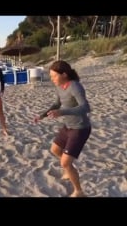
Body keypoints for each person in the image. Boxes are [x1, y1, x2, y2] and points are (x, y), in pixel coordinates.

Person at [34, 60, 91, 197]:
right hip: (68, 126)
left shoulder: (75, 86)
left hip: (80, 128)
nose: (52, 79)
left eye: (54, 76)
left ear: (64, 74)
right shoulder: (59, 86)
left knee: (65, 162)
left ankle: (79, 191)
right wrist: (42, 115)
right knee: (55, 149)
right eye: (51, 76)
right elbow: (57, 103)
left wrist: (62, 112)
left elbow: (85, 107)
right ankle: (68, 169)